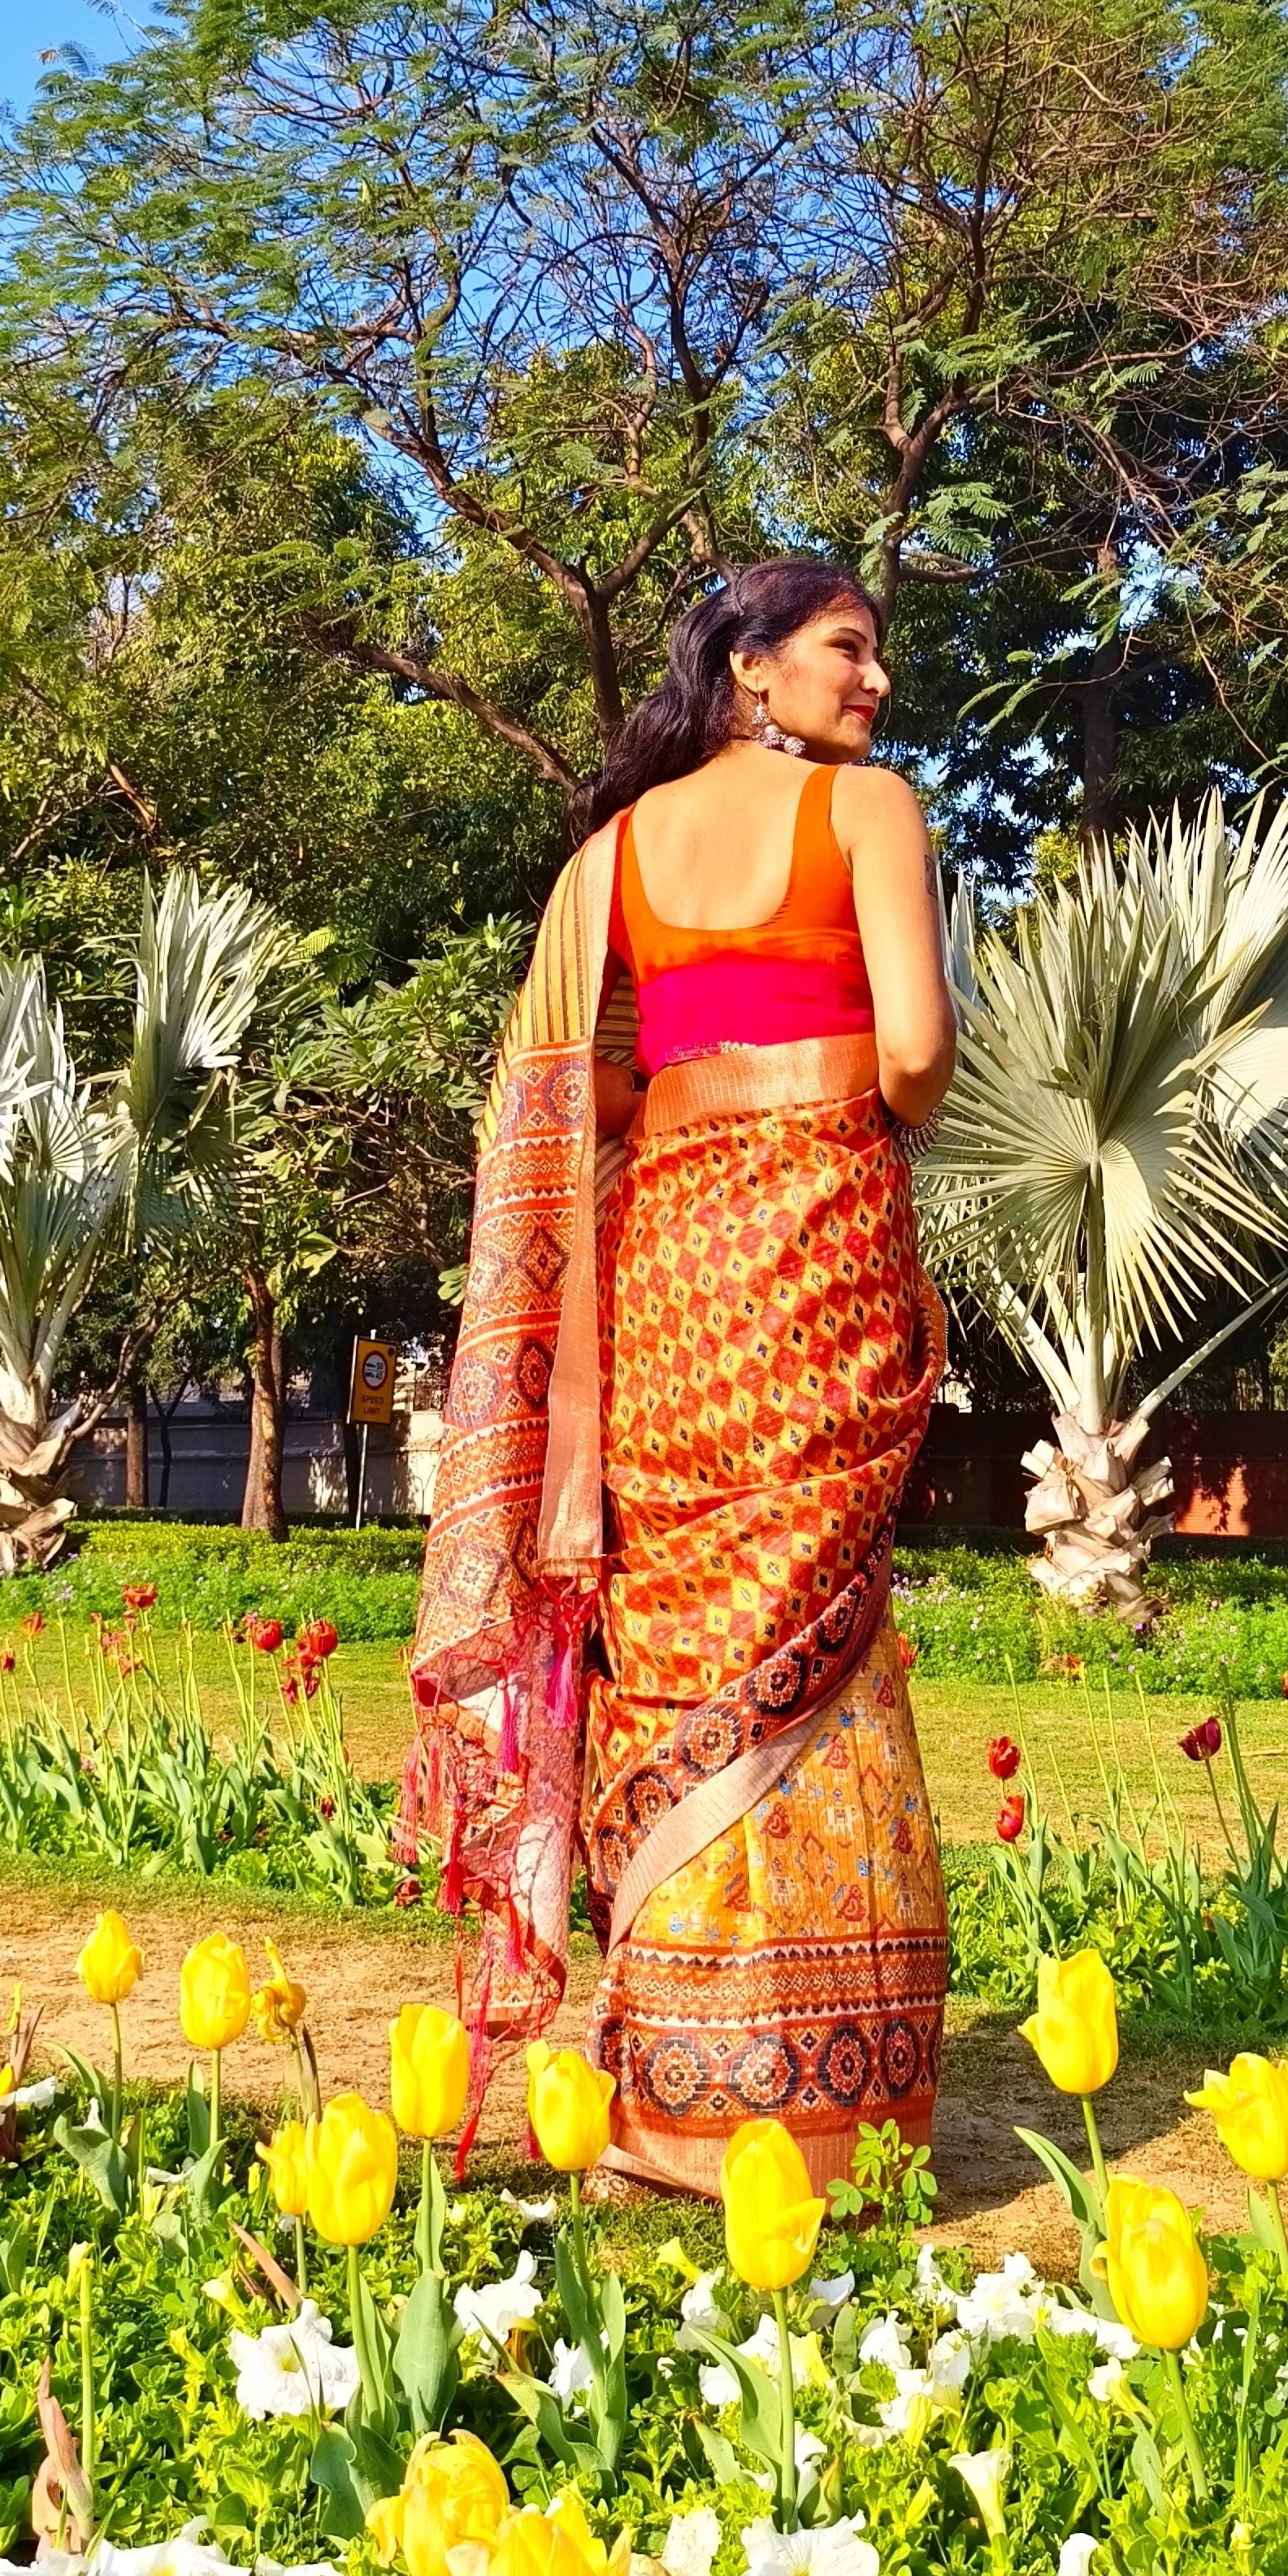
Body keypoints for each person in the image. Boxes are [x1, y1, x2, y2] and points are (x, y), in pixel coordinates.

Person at [403, 561, 958, 2196]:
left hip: (667, 1271)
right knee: (817, 1643)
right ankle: (810, 2105)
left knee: (682, 1635)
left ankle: (666, 2098)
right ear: (753, 667)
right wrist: (847, 1097)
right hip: (817, 1259)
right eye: (850, 650)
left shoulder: (610, 862)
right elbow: (918, 1056)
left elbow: (581, 1106)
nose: (874, 684)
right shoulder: (867, 813)